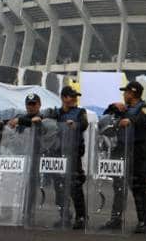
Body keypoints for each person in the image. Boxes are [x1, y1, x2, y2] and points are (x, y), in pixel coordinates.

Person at [101, 81, 146, 234]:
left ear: (133, 93)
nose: (124, 95)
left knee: (138, 188)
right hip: (121, 150)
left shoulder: (145, 108)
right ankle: (115, 219)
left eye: (126, 92)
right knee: (118, 186)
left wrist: (129, 120)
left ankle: (143, 221)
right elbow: (106, 118)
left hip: (138, 152)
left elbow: (143, 120)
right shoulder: (124, 108)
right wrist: (114, 106)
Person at [45, 86, 88, 230]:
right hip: (57, 154)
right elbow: (46, 125)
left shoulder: (80, 112)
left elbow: (83, 124)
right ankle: (64, 215)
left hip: (73, 154)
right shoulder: (54, 113)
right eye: (71, 96)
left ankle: (81, 217)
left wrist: (74, 124)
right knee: (59, 186)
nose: (75, 98)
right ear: (64, 97)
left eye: (75, 96)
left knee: (75, 185)